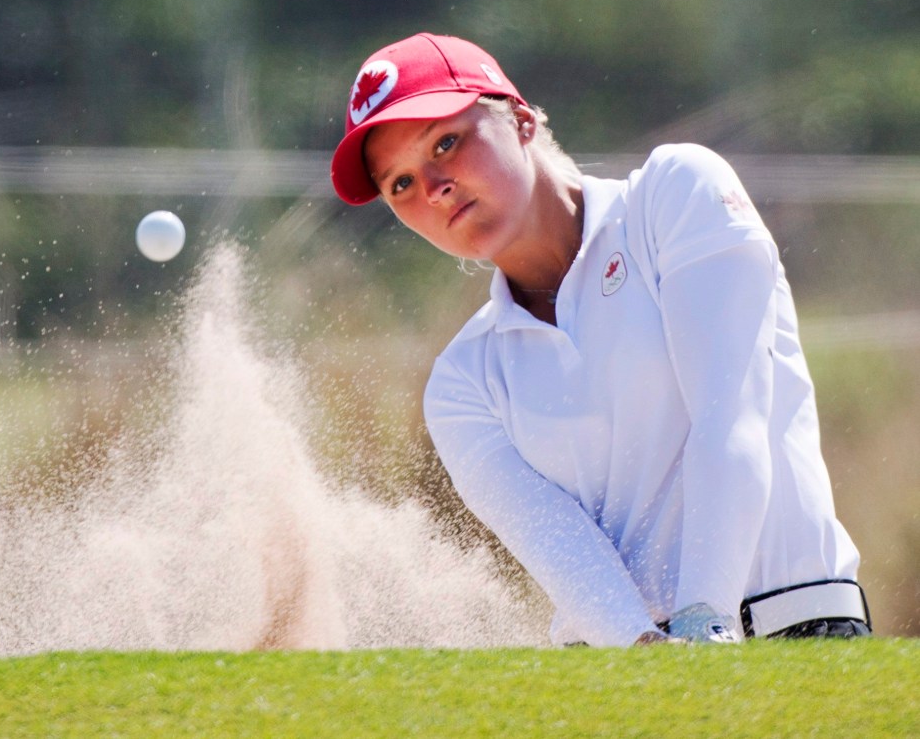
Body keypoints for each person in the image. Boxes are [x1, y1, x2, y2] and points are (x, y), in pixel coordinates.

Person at [329, 33, 871, 647]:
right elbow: (561, 550)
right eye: (399, 184)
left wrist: (703, 621)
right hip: (624, 665)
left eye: (446, 143)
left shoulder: (673, 194)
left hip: (792, 628)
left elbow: (731, 421)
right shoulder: (462, 382)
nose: (432, 188)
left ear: (522, 120)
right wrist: (648, 655)